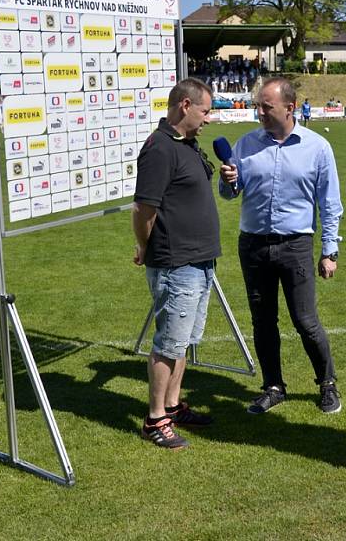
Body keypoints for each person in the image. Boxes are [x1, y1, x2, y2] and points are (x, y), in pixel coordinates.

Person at [219, 77, 343, 415]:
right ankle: (273, 386)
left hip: (296, 245)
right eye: (258, 105)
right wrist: (227, 181)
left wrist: (329, 250)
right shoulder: (244, 145)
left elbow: (330, 204)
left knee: (305, 320)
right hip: (253, 246)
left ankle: (327, 383)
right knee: (263, 321)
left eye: (265, 106)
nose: (258, 111)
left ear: (290, 108)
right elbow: (230, 193)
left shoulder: (317, 147)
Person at [133, 78, 220, 450]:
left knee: (182, 342)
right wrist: (144, 246)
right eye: (205, 110)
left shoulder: (186, 144)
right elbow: (144, 209)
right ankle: (155, 419)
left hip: (199, 261)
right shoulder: (159, 149)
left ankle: (172, 405)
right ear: (185, 105)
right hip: (175, 263)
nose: (209, 119)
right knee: (168, 343)